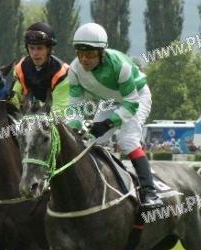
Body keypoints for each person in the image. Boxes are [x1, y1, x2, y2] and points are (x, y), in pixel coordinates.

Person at [67, 22, 163, 208]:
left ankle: (150, 192)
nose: (84, 59)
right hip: (110, 100)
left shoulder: (120, 65)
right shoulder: (74, 70)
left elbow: (131, 103)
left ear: (102, 52)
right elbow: (74, 108)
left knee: (127, 140)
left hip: (136, 97)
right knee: (90, 141)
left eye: (90, 54)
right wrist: (75, 129)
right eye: (80, 53)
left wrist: (108, 124)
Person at [10, 22, 69, 114]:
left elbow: (60, 113)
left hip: (62, 114)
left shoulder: (62, 73)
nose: (35, 53)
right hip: (30, 116)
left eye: (39, 48)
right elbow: (14, 102)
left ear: (49, 49)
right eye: (31, 48)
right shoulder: (21, 68)